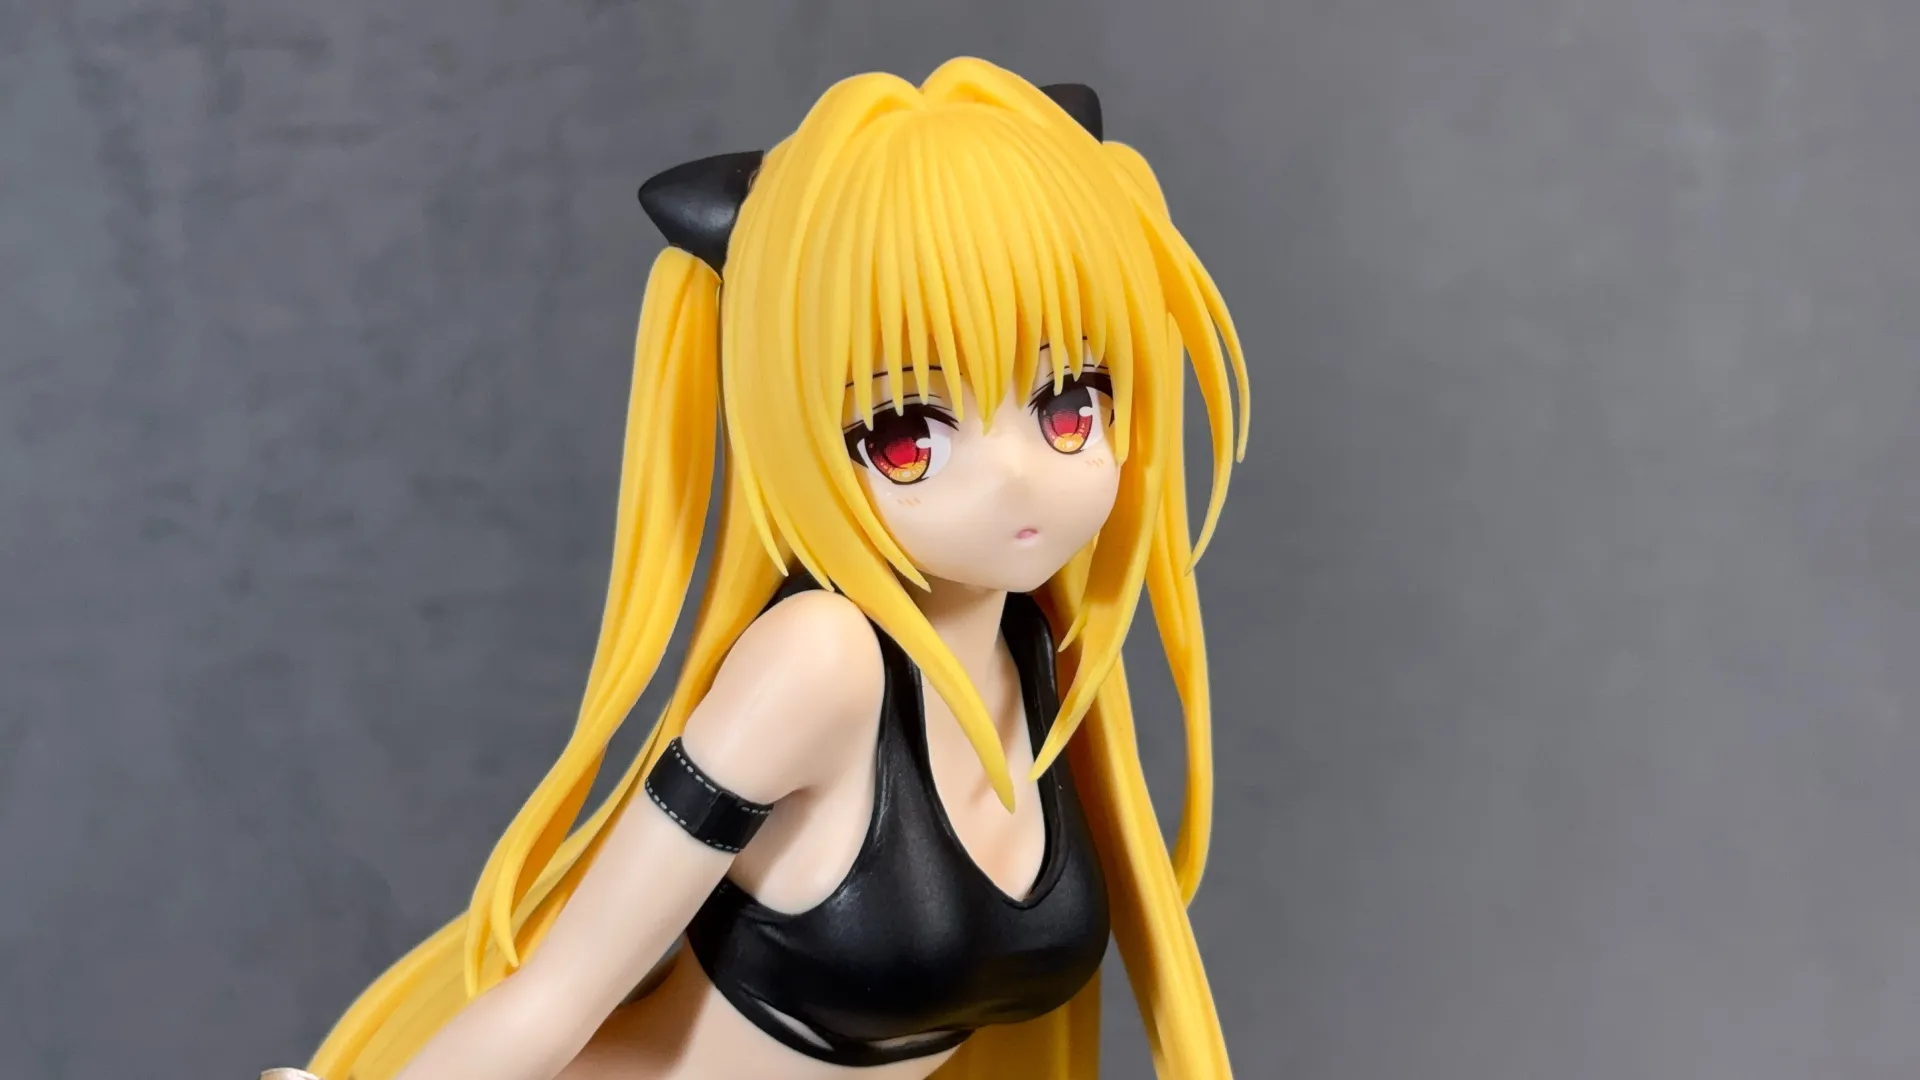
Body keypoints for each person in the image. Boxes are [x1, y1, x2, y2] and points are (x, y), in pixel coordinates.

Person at [278, 55, 1250, 1080]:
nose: (1019, 479)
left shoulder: (1039, 645)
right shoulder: (821, 662)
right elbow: (558, 997)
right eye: (909, 435)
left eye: (1069, 404)